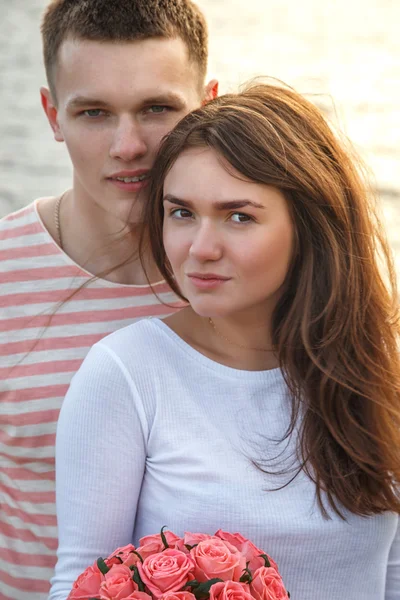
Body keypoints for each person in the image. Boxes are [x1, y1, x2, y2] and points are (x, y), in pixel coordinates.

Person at [50, 82, 400, 600]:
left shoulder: (376, 368)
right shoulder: (125, 374)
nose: (201, 248)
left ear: (310, 225)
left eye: (239, 216)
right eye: (182, 213)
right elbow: (78, 584)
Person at [0, 0, 218, 597]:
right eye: (94, 112)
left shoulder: (245, 280)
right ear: (52, 114)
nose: (129, 145)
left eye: (157, 108)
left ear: (209, 105)